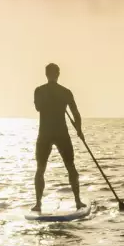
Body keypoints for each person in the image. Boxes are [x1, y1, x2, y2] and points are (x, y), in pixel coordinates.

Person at [32, 63, 87, 212]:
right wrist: (79, 129)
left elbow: (38, 107)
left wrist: (79, 130)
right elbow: (76, 114)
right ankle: (77, 201)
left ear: (46, 74)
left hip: (46, 134)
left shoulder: (40, 91)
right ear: (58, 74)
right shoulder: (64, 92)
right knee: (70, 167)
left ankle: (38, 204)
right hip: (58, 133)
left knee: (41, 169)